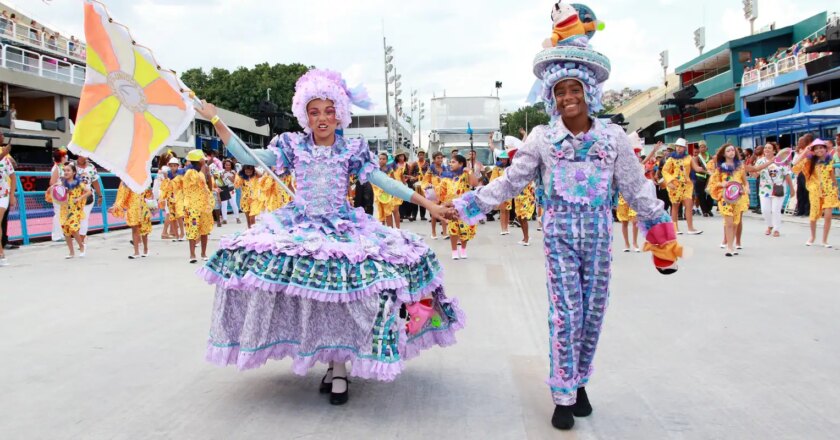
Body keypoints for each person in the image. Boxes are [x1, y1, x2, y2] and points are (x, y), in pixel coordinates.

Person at [445, 7, 682, 429]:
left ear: (590, 92)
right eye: (559, 91)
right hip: (559, 240)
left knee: (592, 315)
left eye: (575, 89)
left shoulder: (612, 138)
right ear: (551, 97)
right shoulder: (542, 138)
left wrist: (661, 238)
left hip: (598, 238)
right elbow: (510, 183)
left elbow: (637, 188)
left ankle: (579, 380)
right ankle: (561, 392)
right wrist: (467, 205)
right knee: (565, 313)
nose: (567, 97)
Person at [193, 69, 464, 406]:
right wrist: (216, 120)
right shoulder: (292, 146)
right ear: (305, 115)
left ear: (340, 114)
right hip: (300, 227)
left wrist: (429, 205)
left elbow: (386, 183)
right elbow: (248, 158)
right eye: (314, 111)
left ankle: (339, 368)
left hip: (341, 229)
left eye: (329, 110)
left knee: (347, 294)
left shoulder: (351, 150)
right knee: (313, 296)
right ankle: (329, 359)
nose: (322, 118)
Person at [792, 138, 840, 247]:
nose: (819, 150)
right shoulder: (809, 161)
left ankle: (825, 240)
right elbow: (794, 164)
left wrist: (836, 188)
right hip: (815, 190)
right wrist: (805, 151)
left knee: (828, 215)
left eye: (821, 147)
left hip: (829, 190)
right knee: (813, 215)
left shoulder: (830, 159)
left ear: (825, 148)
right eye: (816, 148)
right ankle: (812, 237)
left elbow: (832, 175)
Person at [709, 144, 749, 257]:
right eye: (728, 150)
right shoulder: (720, 168)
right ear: (724, 154)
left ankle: (733, 245)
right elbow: (712, 183)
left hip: (738, 198)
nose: (731, 152)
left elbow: (745, 182)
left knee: (736, 222)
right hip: (725, 198)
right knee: (729, 222)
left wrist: (745, 189)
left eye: (733, 150)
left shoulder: (740, 167)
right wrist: (722, 184)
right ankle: (729, 247)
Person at [48, 162, 91, 259]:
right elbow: (54, 189)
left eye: (68, 170)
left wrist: (79, 198)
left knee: (73, 228)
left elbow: (89, 192)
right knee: (66, 231)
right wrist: (52, 189)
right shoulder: (62, 183)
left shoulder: (79, 183)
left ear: (74, 172)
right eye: (64, 171)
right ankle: (71, 252)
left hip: (75, 209)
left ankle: (81, 246)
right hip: (64, 209)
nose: (66, 172)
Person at [440, 154, 479, 259]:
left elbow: (475, 184)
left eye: (453, 162)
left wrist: (470, 171)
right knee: (453, 229)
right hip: (452, 207)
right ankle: (454, 251)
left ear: (461, 164)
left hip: (465, 207)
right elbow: (443, 193)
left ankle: (463, 249)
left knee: (465, 229)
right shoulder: (448, 177)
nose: (450, 164)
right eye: (450, 162)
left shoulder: (465, 175)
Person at [662, 138, 702, 235]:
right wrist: (670, 181)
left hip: (686, 185)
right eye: (677, 146)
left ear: (685, 148)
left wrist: (701, 169)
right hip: (675, 185)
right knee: (675, 206)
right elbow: (665, 171)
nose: (679, 148)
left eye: (681, 147)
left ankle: (690, 228)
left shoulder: (689, 158)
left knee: (689, 205)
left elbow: (696, 168)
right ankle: (675, 228)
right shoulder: (671, 159)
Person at [182, 149, 214, 262]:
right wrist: (204, 169)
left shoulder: (203, 171)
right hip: (192, 206)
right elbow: (199, 180)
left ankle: (203, 253)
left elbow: (209, 187)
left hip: (204, 206)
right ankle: (192, 254)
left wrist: (209, 175)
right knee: (192, 230)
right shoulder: (190, 172)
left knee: (204, 230)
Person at [755, 142, 793, 237]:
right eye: (765, 148)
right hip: (764, 189)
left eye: (769, 148)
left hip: (778, 188)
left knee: (775, 210)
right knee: (765, 210)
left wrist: (792, 189)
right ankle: (769, 225)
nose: (766, 149)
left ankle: (776, 229)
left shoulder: (780, 160)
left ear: (774, 150)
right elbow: (756, 173)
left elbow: (787, 175)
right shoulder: (760, 161)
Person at [110, 182, 152, 258]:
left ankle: (145, 249)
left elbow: (149, 195)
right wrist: (116, 206)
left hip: (143, 207)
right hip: (133, 209)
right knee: (134, 228)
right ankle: (136, 252)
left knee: (144, 230)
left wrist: (148, 188)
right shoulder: (127, 182)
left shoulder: (144, 180)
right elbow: (123, 196)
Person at [75, 155, 102, 243]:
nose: (85, 157)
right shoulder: (72, 165)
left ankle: (82, 239)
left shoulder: (91, 167)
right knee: (75, 217)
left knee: (84, 217)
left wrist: (100, 195)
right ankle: (79, 236)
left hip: (88, 196)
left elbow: (95, 182)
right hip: (74, 196)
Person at [424, 151, 449, 239]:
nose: (440, 159)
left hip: (443, 193)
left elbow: (448, 179)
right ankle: (433, 233)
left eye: (441, 158)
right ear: (434, 159)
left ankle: (445, 233)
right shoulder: (430, 168)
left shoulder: (445, 168)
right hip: (434, 193)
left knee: (443, 213)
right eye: (438, 158)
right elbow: (425, 181)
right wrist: (429, 185)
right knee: (434, 214)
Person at [489, 151, 512, 235]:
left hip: (509, 191)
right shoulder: (496, 168)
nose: (503, 160)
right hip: (500, 190)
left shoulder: (510, 168)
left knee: (507, 209)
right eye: (502, 159)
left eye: (505, 159)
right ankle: (503, 228)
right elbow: (493, 179)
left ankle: (507, 227)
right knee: (502, 209)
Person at [0, 143, 16, 266]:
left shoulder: (5, 159)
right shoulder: (3, 155)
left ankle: (1, 255)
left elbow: (13, 176)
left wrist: (11, 195)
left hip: (2, 194)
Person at [49, 148, 69, 241]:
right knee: (58, 213)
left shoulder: (61, 167)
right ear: (61, 158)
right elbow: (52, 182)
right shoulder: (56, 168)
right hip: (57, 192)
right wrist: (61, 184)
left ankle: (60, 234)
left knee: (61, 213)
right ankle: (56, 236)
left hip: (62, 192)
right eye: (64, 156)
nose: (66, 157)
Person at [794, 134, 814, 216]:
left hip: (808, 173)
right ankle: (800, 210)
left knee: (807, 192)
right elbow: (795, 162)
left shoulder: (811, 149)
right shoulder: (801, 150)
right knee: (800, 192)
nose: (798, 143)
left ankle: (807, 211)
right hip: (800, 173)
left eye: (800, 141)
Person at [693, 141, 714, 217]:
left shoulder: (711, 157)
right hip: (700, 178)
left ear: (706, 148)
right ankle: (704, 211)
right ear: (699, 148)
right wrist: (706, 171)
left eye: (704, 147)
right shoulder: (696, 158)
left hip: (710, 178)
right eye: (701, 147)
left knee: (710, 194)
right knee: (701, 195)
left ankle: (709, 209)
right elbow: (696, 168)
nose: (703, 148)